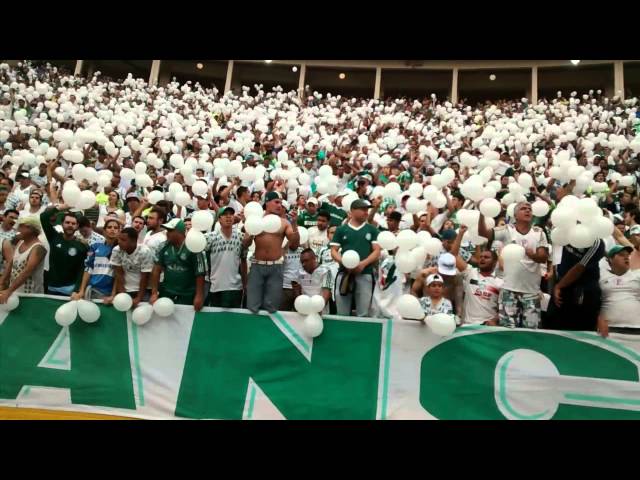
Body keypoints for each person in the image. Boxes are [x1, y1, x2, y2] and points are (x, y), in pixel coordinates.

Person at [478, 201, 549, 329]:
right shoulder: (507, 230)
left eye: (529, 209)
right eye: (523, 209)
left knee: (531, 331)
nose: (527, 210)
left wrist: (532, 255)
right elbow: (483, 233)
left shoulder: (539, 232)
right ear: (515, 215)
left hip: (531, 292)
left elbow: (543, 257)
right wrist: (482, 213)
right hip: (509, 290)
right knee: (508, 330)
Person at [246, 191, 300, 314]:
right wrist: (251, 233)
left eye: (281, 203)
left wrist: (295, 223)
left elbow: (295, 243)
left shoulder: (284, 222)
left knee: (272, 307)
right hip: (257, 266)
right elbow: (245, 244)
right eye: (276, 202)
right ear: (267, 202)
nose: (280, 205)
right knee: (252, 306)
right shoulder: (256, 220)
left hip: (276, 267)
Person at [330, 199, 381, 317]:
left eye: (367, 210)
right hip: (344, 273)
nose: (366, 212)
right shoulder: (341, 229)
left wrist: (363, 264)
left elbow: (377, 250)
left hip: (365, 273)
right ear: (352, 211)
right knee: (342, 311)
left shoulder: (371, 229)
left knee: (363, 312)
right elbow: (333, 251)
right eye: (363, 209)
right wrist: (344, 262)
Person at [548, 235, 605, 331]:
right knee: (556, 328)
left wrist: (559, 286)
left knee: (581, 330)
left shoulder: (596, 242)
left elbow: (580, 267)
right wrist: (555, 286)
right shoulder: (562, 234)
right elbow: (555, 263)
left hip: (584, 291)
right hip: (562, 289)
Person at [149, 219, 207, 310]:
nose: (167, 233)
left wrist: (199, 296)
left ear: (179, 232)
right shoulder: (163, 246)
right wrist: (154, 293)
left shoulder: (194, 247)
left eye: (170, 231)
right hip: (167, 292)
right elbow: (156, 270)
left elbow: (200, 274)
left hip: (188, 294)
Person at [451, 225, 503, 325]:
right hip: (468, 326)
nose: (482, 259)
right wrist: (461, 233)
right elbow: (454, 255)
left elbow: (504, 308)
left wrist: (494, 320)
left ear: (494, 262)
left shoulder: (500, 283)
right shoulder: (470, 272)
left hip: (487, 328)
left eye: (486, 257)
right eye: (481, 257)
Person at [205, 206, 251, 308]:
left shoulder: (241, 237)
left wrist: (245, 284)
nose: (228, 217)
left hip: (235, 288)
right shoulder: (210, 237)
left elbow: (243, 261)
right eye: (225, 215)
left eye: (231, 214)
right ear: (219, 219)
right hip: (216, 286)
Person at [40, 204, 88, 296]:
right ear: (62, 223)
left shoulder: (82, 246)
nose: (70, 225)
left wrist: (77, 289)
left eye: (73, 224)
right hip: (52, 287)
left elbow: (82, 270)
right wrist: (62, 207)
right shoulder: (54, 237)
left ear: (77, 226)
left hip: (71, 290)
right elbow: (43, 217)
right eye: (67, 222)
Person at [70, 219, 120, 301]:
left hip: (109, 295)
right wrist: (81, 291)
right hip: (92, 291)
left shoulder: (120, 250)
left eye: (115, 228)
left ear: (119, 231)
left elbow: (119, 275)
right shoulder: (95, 246)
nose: (112, 229)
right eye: (109, 227)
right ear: (104, 230)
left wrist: (113, 294)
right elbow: (88, 268)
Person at [0, 216, 46, 300]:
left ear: (30, 229)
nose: (17, 229)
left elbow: (27, 272)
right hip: (14, 292)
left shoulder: (38, 248)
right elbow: (11, 263)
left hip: (31, 296)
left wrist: (9, 291)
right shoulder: (20, 242)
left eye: (20, 226)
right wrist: (2, 282)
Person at [598, 245, 640, 337]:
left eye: (628, 255)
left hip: (637, 328)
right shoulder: (600, 276)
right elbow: (592, 301)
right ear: (611, 259)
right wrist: (598, 319)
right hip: (609, 329)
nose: (626, 257)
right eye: (621, 255)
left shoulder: (637, 275)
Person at [110, 227, 154, 308]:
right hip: (125, 290)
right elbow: (119, 274)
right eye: (119, 239)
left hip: (143, 292)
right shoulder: (116, 250)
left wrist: (139, 298)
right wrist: (123, 294)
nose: (119, 242)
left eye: (123, 240)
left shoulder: (144, 251)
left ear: (134, 241)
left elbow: (145, 277)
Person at [293, 248, 332, 314]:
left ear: (314, 259)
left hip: (321, 311)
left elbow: (327, 292)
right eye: (302, 262)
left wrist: (319, 309)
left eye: (306, 261)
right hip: (304, 311)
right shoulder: (299, 272)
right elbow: (297, 293)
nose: (303, 264)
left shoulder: (325, 271)